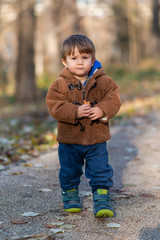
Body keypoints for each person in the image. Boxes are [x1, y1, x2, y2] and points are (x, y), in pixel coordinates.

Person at [46, 34, 121, 218]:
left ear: (93, 59)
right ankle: (70, 195)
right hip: (69, 139)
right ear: (65, 61)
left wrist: (102, 110)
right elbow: (55, 106)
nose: (80, 62)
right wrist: (75, 111)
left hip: (97, 138)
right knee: (69, 170)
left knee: (100, 169)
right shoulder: (59, 84)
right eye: (74, 58)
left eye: (85, 58)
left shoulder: (104, 82)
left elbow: (114, 99)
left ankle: (102, 198)